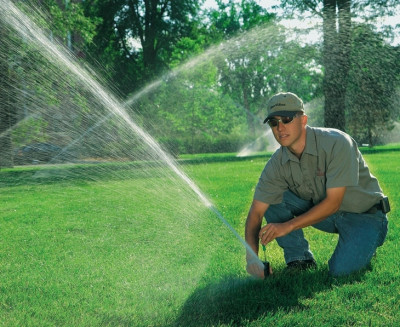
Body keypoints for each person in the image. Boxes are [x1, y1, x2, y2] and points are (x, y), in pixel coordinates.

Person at [245, 92, 389, 278]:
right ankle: (300, 260)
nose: (280, 128)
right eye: (274, 122)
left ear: (303, 120)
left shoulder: (337, 142)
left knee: (340, 272)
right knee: (273, 197)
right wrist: (252, 260)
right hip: (327, 216)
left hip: (365, 216)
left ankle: (369, 241)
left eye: (287, 119)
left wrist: (287, 226)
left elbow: (333, 203)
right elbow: (256, 213)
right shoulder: (277, 163)